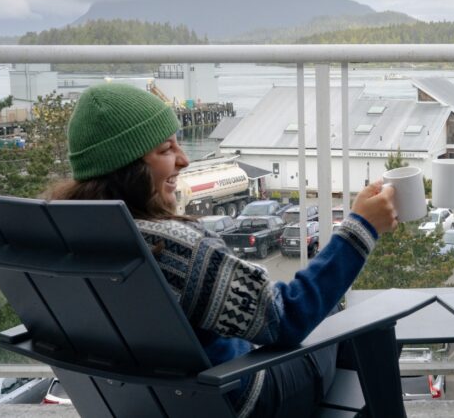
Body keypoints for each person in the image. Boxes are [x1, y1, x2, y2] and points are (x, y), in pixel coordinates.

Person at [47, 82, 398, 418]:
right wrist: (361, 228)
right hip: (241, 399)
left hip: (142, 403)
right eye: (166, 150)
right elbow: (287, 317)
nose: (184, 160)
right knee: (342, 314)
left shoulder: (64, 240)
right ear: (128, 167)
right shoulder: (171, 249)